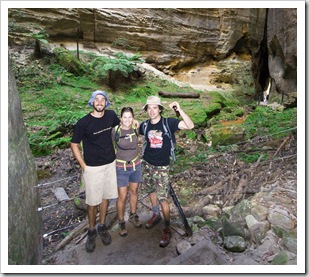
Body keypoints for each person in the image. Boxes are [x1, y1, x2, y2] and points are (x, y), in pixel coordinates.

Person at [139, 95, 194, 247]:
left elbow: (190, 125)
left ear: (160, 109)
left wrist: (179, 109)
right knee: (151, 191)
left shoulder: (168, 123)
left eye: (154, 107)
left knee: (163, 198)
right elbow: (131, 129)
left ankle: (167, 228)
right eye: (149, 108)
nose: (151, 111)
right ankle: (156, 214)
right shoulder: (144, 126)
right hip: (147, 164)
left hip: (162, 166)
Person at [71, 90, 120, 253]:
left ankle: (102, 225)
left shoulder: (111, 116)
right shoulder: (83, 123)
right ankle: (91, 230)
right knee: (92, 202)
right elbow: (74, 144)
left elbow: (121, 129)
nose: (100, 102)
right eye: (96, 100)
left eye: (103, 100)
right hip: (92, 167)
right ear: (92, 102)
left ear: (106, 103)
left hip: (110, 164)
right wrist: (83, 165)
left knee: (105, 198)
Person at [111, 107, 142, 237]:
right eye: (125, 117)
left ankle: (133, 215)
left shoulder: (136, 128)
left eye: (130, 117)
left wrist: (137, 123)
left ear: (133, 117)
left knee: (134, 191)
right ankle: (121, 221)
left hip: (136, 165)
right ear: (120, 118)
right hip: (121, 167)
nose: (127, 120)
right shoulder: (115, 131)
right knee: (122, 196)